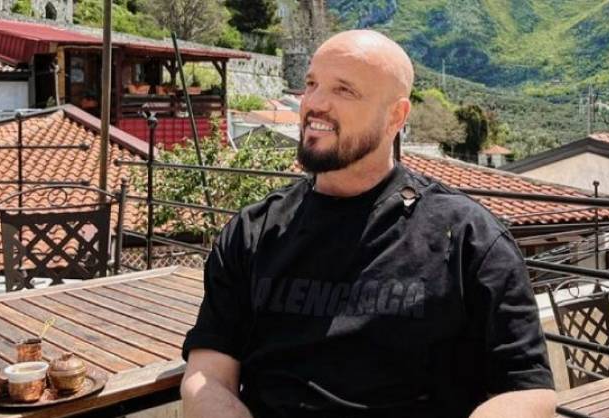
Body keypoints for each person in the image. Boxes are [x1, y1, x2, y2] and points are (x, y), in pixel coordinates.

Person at [180, 30, 556, 418]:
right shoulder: (253, 232)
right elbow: (207, 376)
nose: (315, 103)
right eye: (311, 84)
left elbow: (528, 391)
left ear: (396, 116)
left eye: (344, 90)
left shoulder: (467, 238)